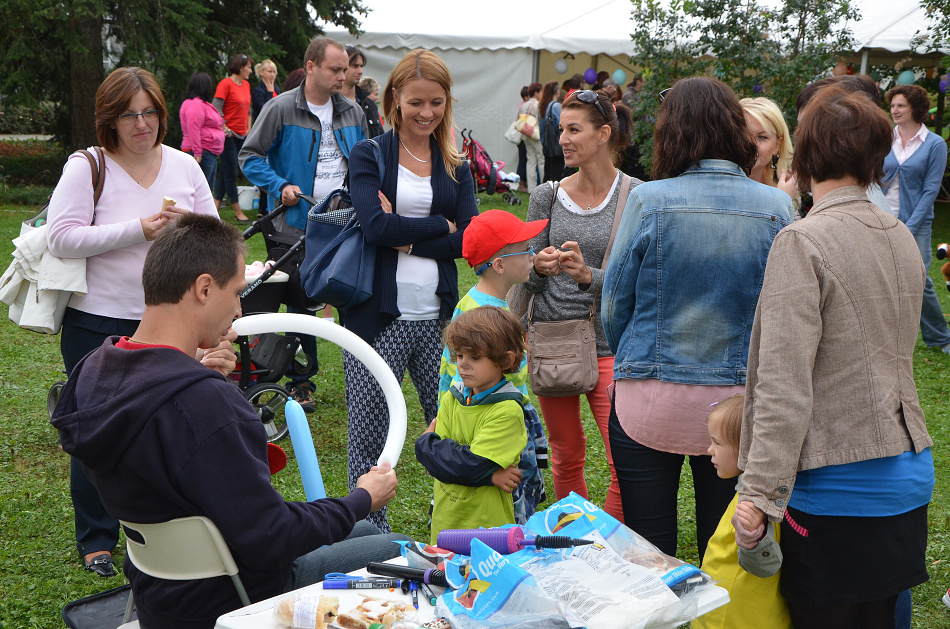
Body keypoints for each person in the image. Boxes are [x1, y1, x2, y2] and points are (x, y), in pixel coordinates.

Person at [50, 214, 406, 629]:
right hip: (233, 598)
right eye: (237, 293)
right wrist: (362, 496)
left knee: (361, 533)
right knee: (397, 547)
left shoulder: (95, 370)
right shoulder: (202, 402)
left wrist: (193, 371)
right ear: (204, 288)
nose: (239, 309)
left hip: (158, 593)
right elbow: (270, 537)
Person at [737, 85, 934, 628]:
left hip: (836, 485)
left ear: (805, 155)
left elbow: (784, 383)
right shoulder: (898, 235)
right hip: (907, 477)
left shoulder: (802, 241)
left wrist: (757, 495)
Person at [602, 77, 793, 559]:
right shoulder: (777, 206)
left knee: (649, 547)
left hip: (649, 398)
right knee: (723, 542)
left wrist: (635, 362)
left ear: (671, 132)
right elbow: (787, 306)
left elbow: (613, 301)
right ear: (736, 130)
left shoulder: (649, 199)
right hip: (736, 404)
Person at [45, 67, 221, 578]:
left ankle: (158, 527)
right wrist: (137, 230)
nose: (141, 124)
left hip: (169, 320)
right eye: (129, 114)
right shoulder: (88, 166)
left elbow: (213, 232)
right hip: (97, 317)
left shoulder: (185, 166)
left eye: (149, 112)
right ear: (110, 119)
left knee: (166, 426)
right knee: (95, 428)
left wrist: (182, 234)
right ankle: (96, 537)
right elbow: (61, 237)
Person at [344, 48, 478, 532]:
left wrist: (407, 234)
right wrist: (437, 227)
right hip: (375, 319)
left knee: (453, 429)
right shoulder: (370, 154)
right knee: (369, 438)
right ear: (396, 98)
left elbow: (470, 239)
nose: (427, 113)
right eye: (417, 102)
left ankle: (456, 528)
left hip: (438, 320)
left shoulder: (455, 162)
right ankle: (367, 539)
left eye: (437, 103)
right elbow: (373, 227)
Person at [524, 88, 639, 523]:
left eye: (575, 130)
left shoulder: (636, 195)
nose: (564, 140)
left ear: (604, 134)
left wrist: (592, 277)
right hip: (554, 338)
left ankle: (608, 546)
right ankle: (575, 544)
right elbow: (527, 279)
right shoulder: (547, 195)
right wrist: (540, 265)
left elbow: (640, 280)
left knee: (621, 460)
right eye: (561, 130)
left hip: (611, 340)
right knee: (565, 454)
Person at [240, 38, 369, 413]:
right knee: (300, 305)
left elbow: (364, 160)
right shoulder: (280, 108)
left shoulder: (353, 111)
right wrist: (280, 186)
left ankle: (362, 378)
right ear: (311, 66)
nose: (343, 76)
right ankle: (301, 383)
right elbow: (249, 156)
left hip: (345, 224)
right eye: (335, 69)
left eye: (345, 69)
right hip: (293, 227)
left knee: (354, 299)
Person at [437, 210, 549, 523]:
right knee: (507, 513)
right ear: (499, 265)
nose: (532, 256)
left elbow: (448, 375)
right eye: (526, 250)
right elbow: (454, 377)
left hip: (495, 420)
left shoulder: (472, 303)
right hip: (493, 429)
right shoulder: (487, 317)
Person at [416, 306, 528, 544]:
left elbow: (470, 464)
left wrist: (426, 446)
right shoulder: (451, 397)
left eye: (475, 357)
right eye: (459, 355)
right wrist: (489, 476)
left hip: (488, 531)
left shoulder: (507, 410)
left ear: (505, 360)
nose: (463, 364)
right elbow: (438, 463)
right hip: (445, 526)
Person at [692, 394, 790, 629]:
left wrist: (753, 541)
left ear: (749, 448)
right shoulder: (748, 490)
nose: (709, 450)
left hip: (733, 616)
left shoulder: (754, 502)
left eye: (717, 443)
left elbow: (764, 565)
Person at [883, 84, 950, 354]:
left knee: (918, 280)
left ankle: (941, 337)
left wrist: (909, 227)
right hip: (881, 214)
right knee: (880, 276)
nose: (895, 110)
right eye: (893, 105)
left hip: (916, 222)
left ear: (916, 108)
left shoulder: (934, 144)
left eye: (901, 105)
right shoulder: (886, 136)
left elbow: (930, 190)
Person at [213, 53, 254, 222]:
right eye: (249, 67)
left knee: (225, 172)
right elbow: (216, 108)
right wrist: (225, 128)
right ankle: (238, 211)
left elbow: (249, 108)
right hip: (228, 136)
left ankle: (213, 209)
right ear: (240, 67)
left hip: (241, 135)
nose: (251, 71)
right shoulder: (225, 84)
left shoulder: (246, 85)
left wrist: (248, 128)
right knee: (231, 173)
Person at [740, 97, 798, 209]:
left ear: (777, 145)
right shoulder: (717, 190)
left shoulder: (784, 190)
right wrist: (781, 202)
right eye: (743, 136)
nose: (751, 144)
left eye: (762, 137)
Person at [180, 71, 225, 190]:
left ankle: (205, 210)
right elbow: (193, 129)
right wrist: (197, 152)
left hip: (209, 151)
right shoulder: (194, 105)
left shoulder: (203, 104)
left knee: (207, 190)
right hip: (201, 152)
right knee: (202, 190)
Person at [343, 45, 384, 138]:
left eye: (361, 66)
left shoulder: (369, 104)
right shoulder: (329, 102)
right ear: (342, 66)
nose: (360, 71)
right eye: (355, 66)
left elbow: (380, 139)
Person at [519, 82, 545, 192]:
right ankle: (544, 187)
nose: (542, 93)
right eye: (541, 91)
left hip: (525, 135)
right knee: (541, 160)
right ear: (536, 93)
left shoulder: (524, 105)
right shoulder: (538, 105)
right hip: (535, 135)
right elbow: (541, 120)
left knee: (530, 160)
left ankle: (531, 188)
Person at [538, 80, 564, 183]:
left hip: (546, 146)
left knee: (547, 174)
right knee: (556, 176)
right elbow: (561, 125)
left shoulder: (542, 106)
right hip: (556, 146)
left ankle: (545, 197)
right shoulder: (555, 106)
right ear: (557, 92)